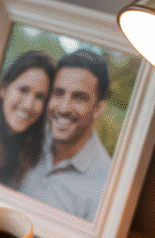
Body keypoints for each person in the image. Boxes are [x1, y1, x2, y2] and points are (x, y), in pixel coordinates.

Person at [20, 49, 112, 223]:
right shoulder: (29, 138)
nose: (63, 108)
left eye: (79, 97)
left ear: (97, 109)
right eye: (59, 92)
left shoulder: (106, 185)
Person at [0, 50, 55, 190]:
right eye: (23, 90)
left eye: (40, 97)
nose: (29, 105)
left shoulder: (33, 153)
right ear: (4, 88)